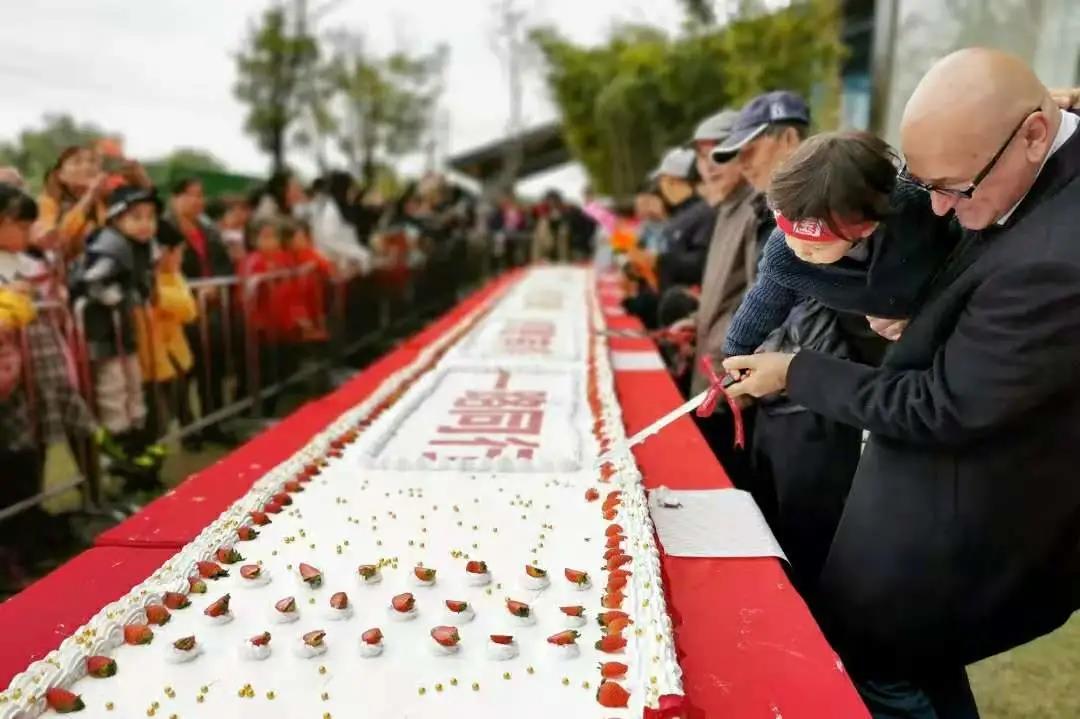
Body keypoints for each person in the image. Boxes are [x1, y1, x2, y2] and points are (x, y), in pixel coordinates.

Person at [722, 48, 1080, 719]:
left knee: (890, 672)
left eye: (955, 188)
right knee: (912, 670)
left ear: (1034, 137)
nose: (937, 208)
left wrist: (795, 369)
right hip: (919, 513)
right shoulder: (1007, 165)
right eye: (925, 182)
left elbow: (941, 403)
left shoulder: (1053, 257)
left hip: (959, 532)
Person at [708, 90, 872, 595]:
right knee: (768, 534)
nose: (742, 163)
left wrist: (777, 368)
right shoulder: (766, 214)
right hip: (771, 397)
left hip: (812, 405)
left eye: (751, 149)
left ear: (789, 139)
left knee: (806, 552)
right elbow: (756, 300)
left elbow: (813, 317)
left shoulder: (835, 212)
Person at [723, 131, 957, 359]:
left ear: (866, 227)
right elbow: (763, 302)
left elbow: (961, 251)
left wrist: (924, 314)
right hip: (868, 342)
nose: (801, 250)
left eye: (817, 247)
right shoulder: (785, 255)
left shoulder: (915, 213)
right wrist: (736, 351)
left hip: (942, 313)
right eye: (789, 236)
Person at [70, 185, 164, 488]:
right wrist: (115, 297)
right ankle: (120, 447)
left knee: (133, 387)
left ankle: (137, 444)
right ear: (115, 219)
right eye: (136, 217)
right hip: (104, 333)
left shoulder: (140, 247)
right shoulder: (111, 245)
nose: (145, 224)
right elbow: (90, 281)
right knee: (113, 389)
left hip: (125, 331)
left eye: (150, 217)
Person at [163, 177, 234, 445]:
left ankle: (214, 424)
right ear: (175, 198)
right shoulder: (165, 228)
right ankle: (188, 430)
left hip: (211, 310)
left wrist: (216, 284)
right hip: (181, 308)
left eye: (200, 195)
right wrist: (193, 290)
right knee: (185, 373)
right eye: (190, 195)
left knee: (213, 369)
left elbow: (224, 261)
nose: (197, 200)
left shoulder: (209, 229)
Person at [138, 221, 197, 441]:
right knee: (156, 420)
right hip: (149, 362)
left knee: (171, 414)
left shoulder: (174, 277)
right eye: (179, 253)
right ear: (163, 251)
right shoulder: (142, 277)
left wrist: (159, 297)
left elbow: (189, 310)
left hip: (174, 357)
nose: (181, 258)